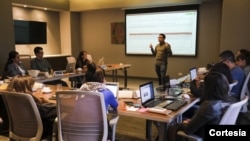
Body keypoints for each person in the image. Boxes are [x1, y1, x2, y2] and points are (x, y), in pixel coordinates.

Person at [167, 72, 233, 141]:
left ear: (209, 88)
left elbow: (188, 130)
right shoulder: (228, 100)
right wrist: (193, 120)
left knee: (172, 125)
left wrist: (186, 122)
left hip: (201, 132)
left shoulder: (209, 106)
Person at [6, 75, 56, 141]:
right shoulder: (35, 107)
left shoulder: (11, 101)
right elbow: (51, 111)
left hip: (18, 132)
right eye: (32, 87)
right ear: (26, 89)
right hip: (40, 133)